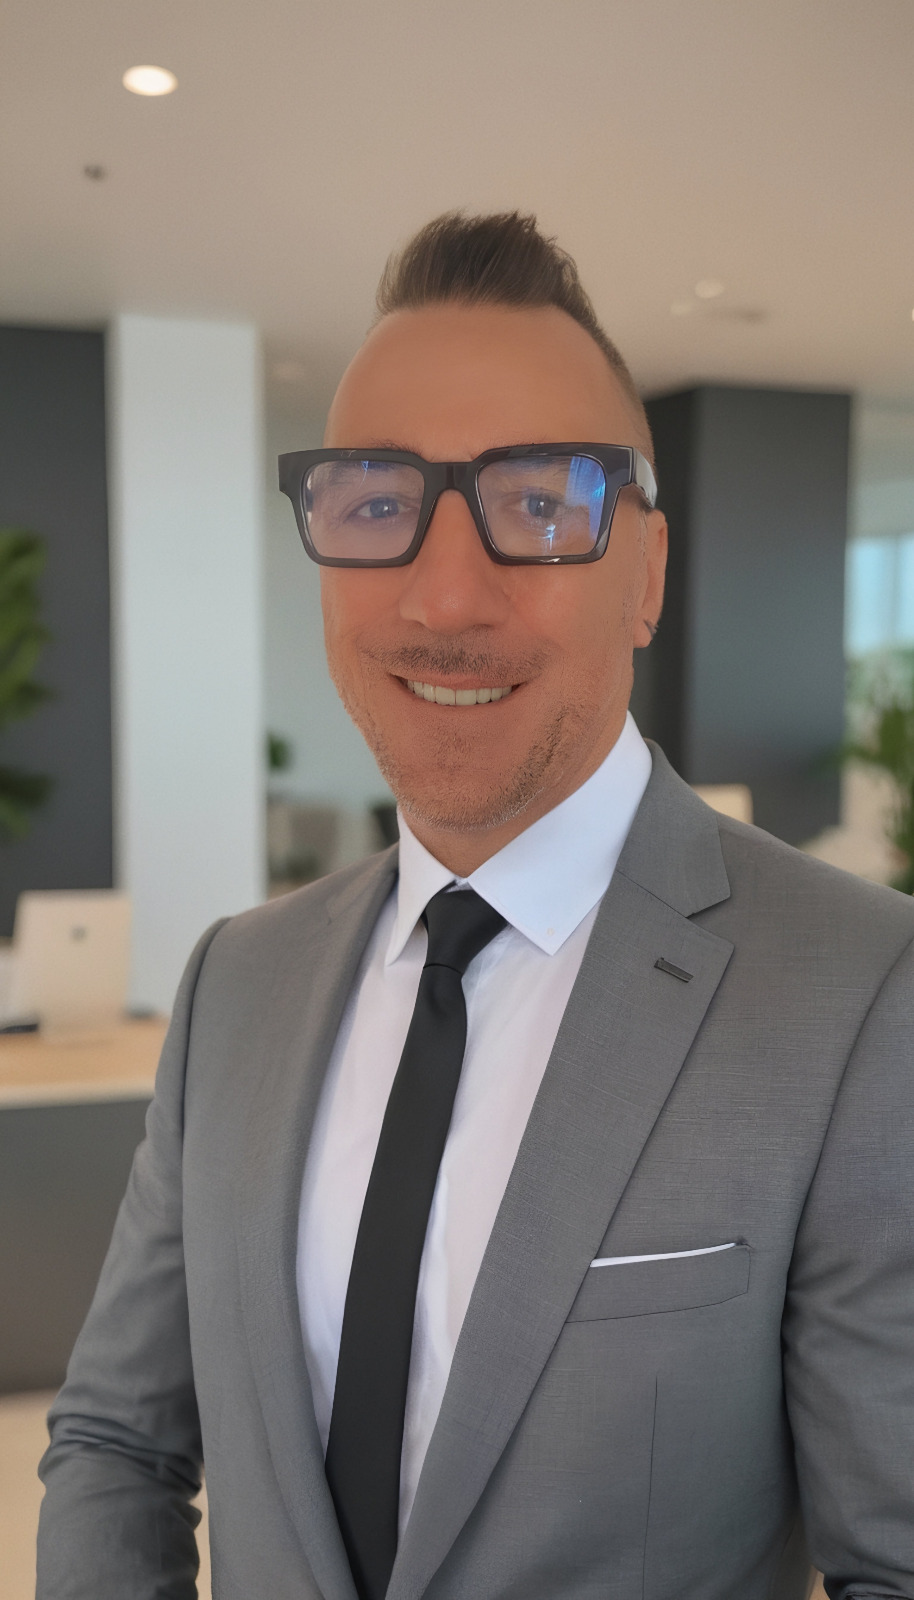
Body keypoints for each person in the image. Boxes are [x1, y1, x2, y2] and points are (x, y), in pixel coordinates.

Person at [37, 212, 914, 1600]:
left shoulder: (857, 990)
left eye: (541, 504)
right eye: (375, 502)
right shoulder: (235, 983)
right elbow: (115, 1442)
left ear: (646, 573)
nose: (445, 598)